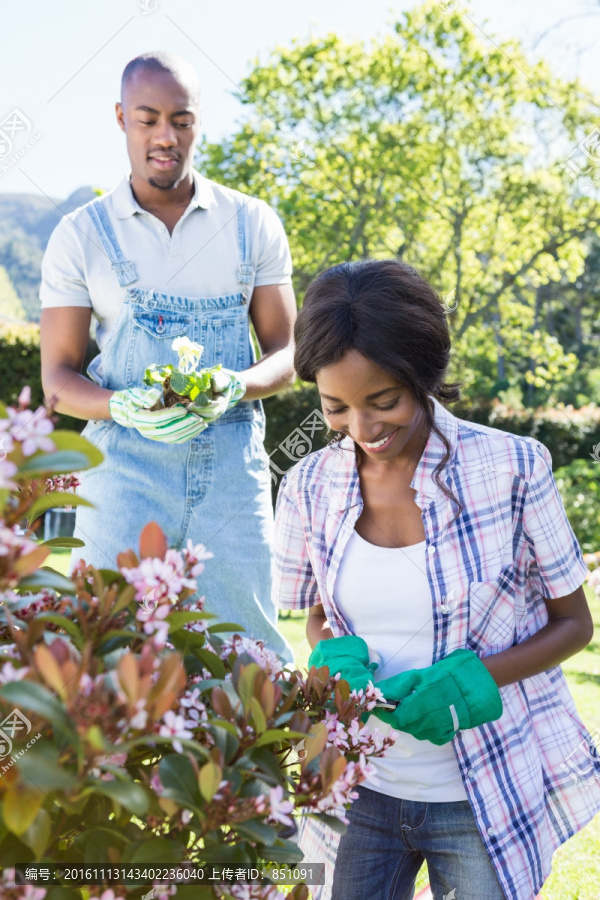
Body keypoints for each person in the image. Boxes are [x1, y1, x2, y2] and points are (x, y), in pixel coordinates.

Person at [272, 258, 600, 900]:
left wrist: (479, 676)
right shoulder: (310, 483)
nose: (362, 431)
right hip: (357, 786)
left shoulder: (514, 469)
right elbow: (315, 612)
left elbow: (575, 624)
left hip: (479, 794)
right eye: (335, 407)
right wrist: (327, 650)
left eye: (384, 402)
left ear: (423, 376)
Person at [40, 51, 295, 660]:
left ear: (198, 122)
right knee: (107, 650)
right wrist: (122, 405)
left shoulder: (251, 223)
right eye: (148, 118)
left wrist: (235, 386)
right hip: (124, 471)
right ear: (121, 117)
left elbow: (289, 352)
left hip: (232, 470)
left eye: (181, 120)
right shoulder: (81, 234)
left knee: (247, 656)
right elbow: (57, 379)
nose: (165, 136)